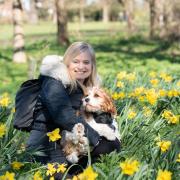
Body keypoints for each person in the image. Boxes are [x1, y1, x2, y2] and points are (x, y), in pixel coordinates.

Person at [26, 42, 120, 178]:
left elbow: (101, 117)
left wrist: (110, 130)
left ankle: (83, 172)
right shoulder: (53, 82)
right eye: (76, 61)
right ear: (67, 62)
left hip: (72, 140)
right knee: (62, 176)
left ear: (92, 65)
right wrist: (96, 139)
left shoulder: (87, 85)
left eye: (86, 62)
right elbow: (65, 117)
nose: (81, 67)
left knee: (111, 144)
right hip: (47, 141)